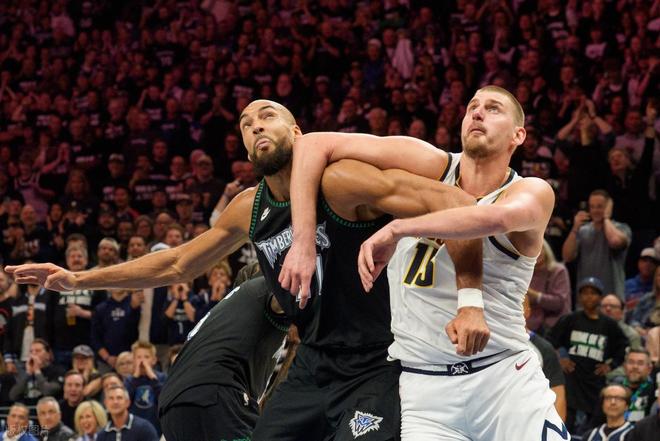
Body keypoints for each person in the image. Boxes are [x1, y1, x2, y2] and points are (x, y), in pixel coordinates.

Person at [6, 98, 484, 441]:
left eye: (268, 115)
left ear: (298, 134)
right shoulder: (249, 208)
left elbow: (455, 203)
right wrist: (77, 279)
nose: (255, 126)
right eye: (246, 123)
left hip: (376, 362)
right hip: (313, 362)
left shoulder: (341, 182)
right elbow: (176, 262)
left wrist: (469, 300)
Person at [283, 85, 567, 439]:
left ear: (518, 135)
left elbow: (492, 218)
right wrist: (303, 242)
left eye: (493, 108)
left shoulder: (532, 190)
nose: (477, 113)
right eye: (472, 107)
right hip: (425, 391)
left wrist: (398, 228)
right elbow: (312, 144)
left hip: (502, 379)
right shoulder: (432, 164)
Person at [159, 274, 289, 441]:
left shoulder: (225, 317)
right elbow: (289, 285)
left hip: (172, 407)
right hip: (213, 395)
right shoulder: (264, 290)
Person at [548, 277, 629, 434]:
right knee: (565, 425)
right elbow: (549, 341)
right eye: (584, 293)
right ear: (579, 297)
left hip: (595, 383)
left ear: (600, 297)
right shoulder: (570, 319)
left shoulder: (609, 325)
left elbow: (623, 346)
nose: (589, 297)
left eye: (593, 293)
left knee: (593, 428)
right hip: (572, 381)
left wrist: (610, 366)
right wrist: (560, 359)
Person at [562, 189, 632, 298]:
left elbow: (615, 241)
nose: (595, 210)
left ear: (608, 208)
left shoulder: (621, 228)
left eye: (599, 206)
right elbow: (567, 256)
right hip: (586, 299)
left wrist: (606, 218)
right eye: (592, 207)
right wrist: (575, 228)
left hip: (612, 299)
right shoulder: (583, 231)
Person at [609, 349, 656, 423]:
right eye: (631, 362)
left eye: (640, 363)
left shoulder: (655, 390)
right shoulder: (613, 388)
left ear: (649, 369)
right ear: (624, 366)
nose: (635, 366)